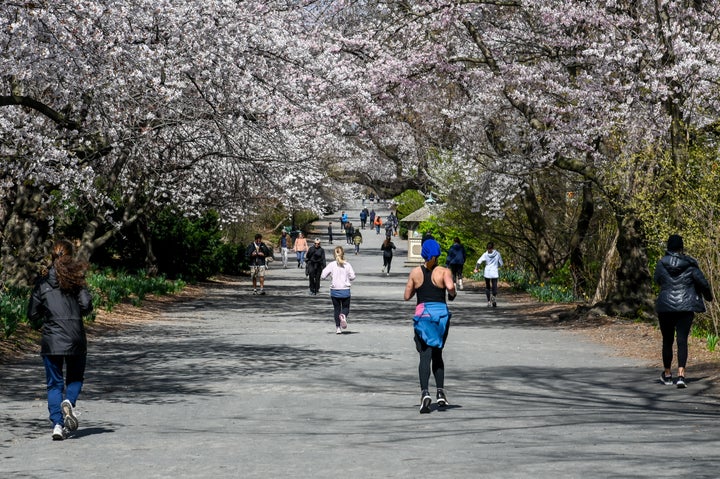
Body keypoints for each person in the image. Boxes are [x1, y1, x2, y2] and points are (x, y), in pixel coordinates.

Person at [27, 239, 93, 440]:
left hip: (52, 340)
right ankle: (69, 402)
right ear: (70, 256)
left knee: (54, 385)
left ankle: (57, 424)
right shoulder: (76, 281)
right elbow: (86, 306)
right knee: (74, 379)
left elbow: (32, 314)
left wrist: (45, 318)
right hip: (75, 338)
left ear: (52, 256)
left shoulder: (43, 283)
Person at [404, 239, 456, 413]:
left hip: (423, 316)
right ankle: (440, 392)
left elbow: (406, 296)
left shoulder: (415, 273)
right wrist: (452, 292)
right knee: (438, 353)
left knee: (424, 356)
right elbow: (450, 288)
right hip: (441, 316)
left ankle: (425, 392)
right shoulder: (444, 271)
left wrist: (417, 288)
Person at [654, 234, 713, 388]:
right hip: (685, 307)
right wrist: (708, 297)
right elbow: (703, 283)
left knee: (667, 341)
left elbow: (657, 280)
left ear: (668, 247)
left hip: (665, 306)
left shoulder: (661, 263)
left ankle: (667, 375)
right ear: (681, 247)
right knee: (682, 341)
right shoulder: (690, 264)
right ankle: (681, 375)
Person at [321, 246, 357, 334]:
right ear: (343, 254)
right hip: (345, 290)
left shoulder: (331, 265)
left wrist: (330, 275)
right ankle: (343, 315)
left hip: (334, 291)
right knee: (346, 308)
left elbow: (323, 276)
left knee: (336, 309)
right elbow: (353, 277)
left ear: (334, 254)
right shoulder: (347, 264)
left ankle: (338, 328)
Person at [474, 242, 503, 307]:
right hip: (494, 272)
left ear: (487, 248)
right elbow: (501, 263)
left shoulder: (485, 254)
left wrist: (476, 268)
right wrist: (496, 266)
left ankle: (489, 301)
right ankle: (494, 297)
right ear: (493, 248)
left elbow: (479, 262)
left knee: (487, 287)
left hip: (487, 272)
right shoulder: (498, 254)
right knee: (494, 286)